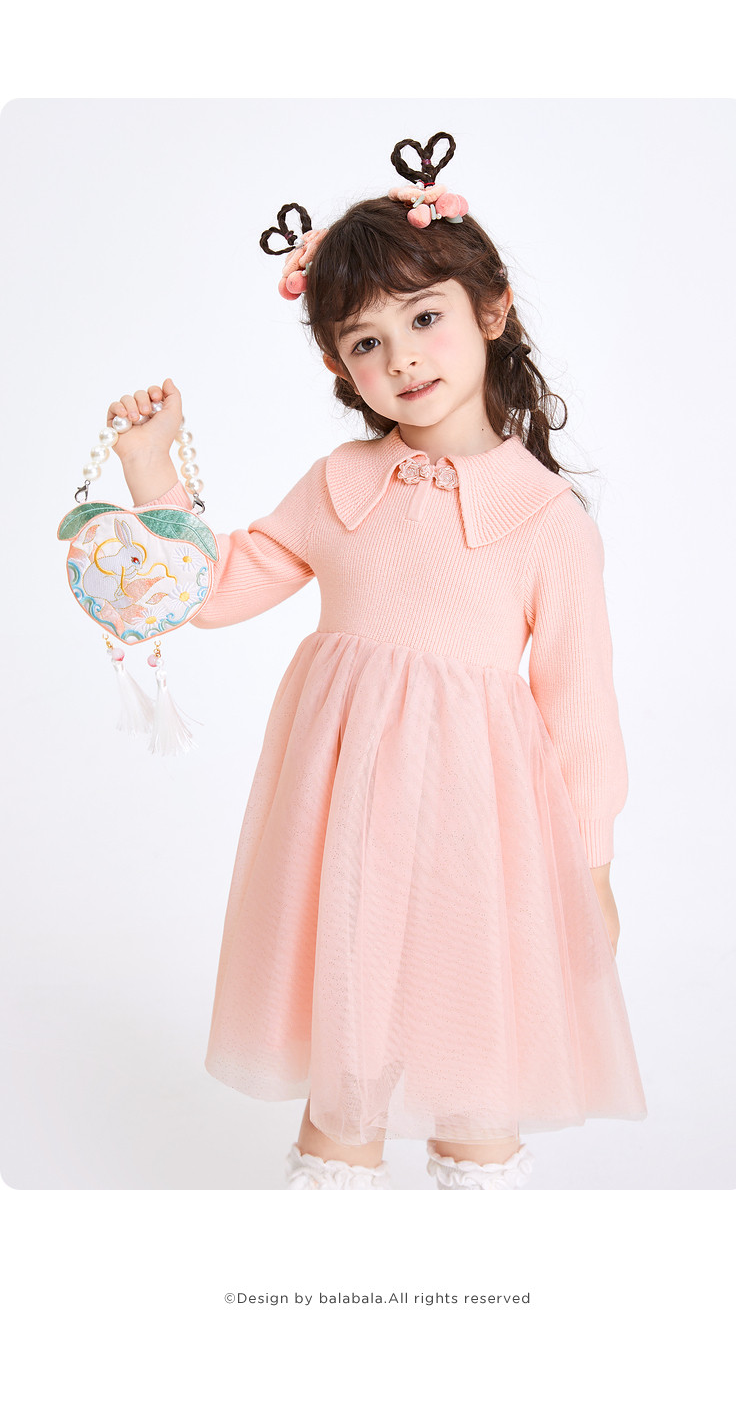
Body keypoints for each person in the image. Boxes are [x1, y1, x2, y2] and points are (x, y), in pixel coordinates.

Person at [108, 132, 647, 1191]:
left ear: (491, 310)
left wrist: (590, 873)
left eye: (424, 317)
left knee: (476, 1069)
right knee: (347, 1071)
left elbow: (581, 717)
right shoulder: (339, 485)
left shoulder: (544, 522)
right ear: (338, 368)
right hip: (344, 829)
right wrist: (151, 468)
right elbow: (216, 590)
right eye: (366, 340)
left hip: (480, 837)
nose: (401, 357)